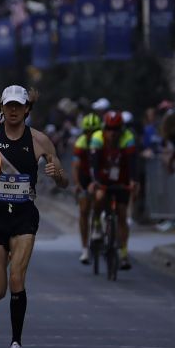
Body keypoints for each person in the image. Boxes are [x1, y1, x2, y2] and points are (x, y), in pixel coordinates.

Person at [0, 85, 68, 348]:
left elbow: (63, 181)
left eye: (18, 106)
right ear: (1, 108)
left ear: (27, 109)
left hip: (24, 215)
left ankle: (17, 343)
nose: (13, 111)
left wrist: (57, 173)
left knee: (17, 279)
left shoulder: (39, 140)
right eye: (8, 106)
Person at [86, 111, 139, 270]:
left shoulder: (128, 138)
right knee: (100, 196)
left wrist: (133, 181)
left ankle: (123, 252)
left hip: (121, 178)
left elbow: (132, 162)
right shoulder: (97, 137)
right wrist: (94, 182)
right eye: (109, 129)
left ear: (121, 129)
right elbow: (94, 164)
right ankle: (96, 225)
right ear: (104, 128)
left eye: (116, 129)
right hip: (103, 177)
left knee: (122, 213)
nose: (112, 133)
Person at [72, 110, 103, 263]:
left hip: (99, 175)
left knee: (100, 200)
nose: (91, 135)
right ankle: (85, 249)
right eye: (88, 132)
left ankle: (98, 223)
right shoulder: (81, 142)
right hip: (85, 177)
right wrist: (78, 184)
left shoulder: (103, 141)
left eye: (95, 131)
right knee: (84, 210)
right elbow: (76, 167)